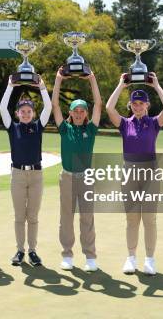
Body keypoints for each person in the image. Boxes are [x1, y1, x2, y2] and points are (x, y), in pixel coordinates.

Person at [105, 73, 163, 275]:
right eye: (134, 103)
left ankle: (150, 260)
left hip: (150, 173)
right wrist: (120, 85)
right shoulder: (125, 124)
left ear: (147, 105)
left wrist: (158, 85)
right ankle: (131, 258)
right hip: (129, 173)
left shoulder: (154, 123)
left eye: (141, 103)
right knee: (132, 219)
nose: (138, 106)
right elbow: (109, 108)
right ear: (131, 105)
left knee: (149, 219)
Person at [51, 69, 102, 272]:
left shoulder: (91, 129)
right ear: (70, 113)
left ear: (86, 114)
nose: (79, 114)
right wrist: (58, 79)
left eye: (82, 111)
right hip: (67, 177)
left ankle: (90, 256)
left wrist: (92, 78)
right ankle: (67, 255)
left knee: (87, 217)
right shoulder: (65, 129)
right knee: (66, 218)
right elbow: (54, 104)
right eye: (75, 110)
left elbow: (99, 104)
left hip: (86, 178)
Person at [0, 77, 51, 266]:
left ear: (33, 113)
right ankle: (20, 250)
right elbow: (2, 109)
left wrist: (43, 88)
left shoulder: (38, 126)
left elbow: (48, 108)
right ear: (17, 113)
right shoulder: (12, 127)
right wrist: (9, 86)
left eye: (29, 111)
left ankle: (32, 251)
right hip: (18, 175)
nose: (26, 114)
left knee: (33, 216)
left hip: (36, 175)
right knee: (19, 216)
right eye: (23, 111)